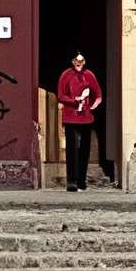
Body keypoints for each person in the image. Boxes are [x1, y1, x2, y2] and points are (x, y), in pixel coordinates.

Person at [56, 50, 104, 192]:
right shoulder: (66, 75)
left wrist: (92, 107)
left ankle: (82, 180)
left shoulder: (89, 76)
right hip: (70, 117)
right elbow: (61, 95)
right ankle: (72, 181)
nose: (79, 63)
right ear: (72, 61)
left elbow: (98, 95)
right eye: (77, 61)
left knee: (84, 150)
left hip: (86, 118)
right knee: (71, 149)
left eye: (82, 61)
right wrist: (74, 101)